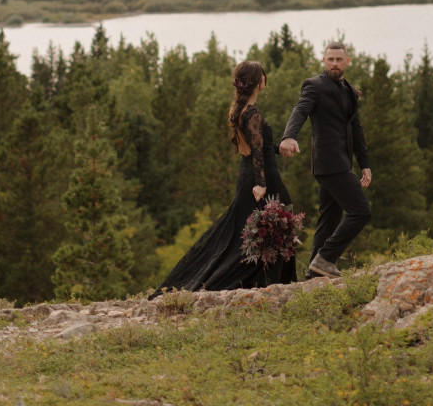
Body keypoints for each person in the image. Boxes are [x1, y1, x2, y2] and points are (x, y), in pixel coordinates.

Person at [149, 60, 295, 294]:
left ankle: (267, 282)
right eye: (263, 75)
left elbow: (260, 146)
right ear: (257, 82)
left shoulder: (241, 111)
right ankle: (269, 284)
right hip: (260, 176)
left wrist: (279, 149)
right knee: (265, 228)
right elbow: (256, 152)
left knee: (248, 233)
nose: (266, 78)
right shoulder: (253, 113)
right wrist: (261, 183)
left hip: (249, 173)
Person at [279, 41, 371, 278]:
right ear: (324, 60)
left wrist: (364, 163)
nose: (334, 64)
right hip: (329, 163)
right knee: (361, 212)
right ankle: (327, 257)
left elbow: (356, 129)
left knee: (330, 218)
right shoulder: (314, 85)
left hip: (342, 162)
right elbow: (300, 110)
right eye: (330, 59)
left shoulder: (349, 90)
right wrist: (289, 136)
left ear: (347, 62)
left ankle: (314, 272)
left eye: (339, 60)